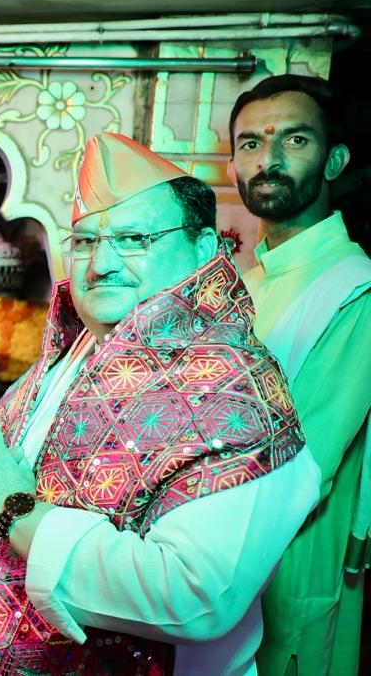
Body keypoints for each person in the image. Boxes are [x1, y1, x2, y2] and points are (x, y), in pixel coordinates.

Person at [0, 132, 321, 675]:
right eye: (84, 241)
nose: (100, 265)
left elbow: (195, 598)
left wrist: (11, 506)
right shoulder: (71, 351)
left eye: (134, 238)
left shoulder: (233, 389)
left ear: (205, 248)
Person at [227, 74, 371, 676]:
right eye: (252, 144)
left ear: (334, 159)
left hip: (290, 566)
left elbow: (302, 463)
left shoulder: (353, 289)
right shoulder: (247, 281)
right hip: (221, 561)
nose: (270, 160)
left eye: (295, 140)